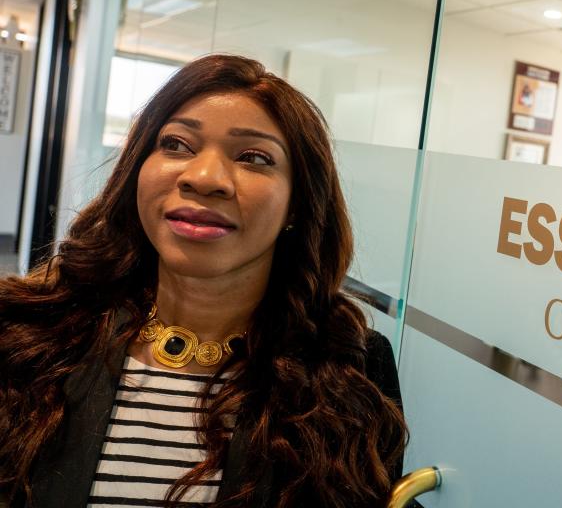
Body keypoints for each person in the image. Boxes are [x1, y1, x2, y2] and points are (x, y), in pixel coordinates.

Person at [0, 54, 407, 508]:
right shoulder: (23, 335)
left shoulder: (352, 371)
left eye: (254, 157)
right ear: (138, 170)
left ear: (298, 204)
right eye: (176, 145)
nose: (204, 178)